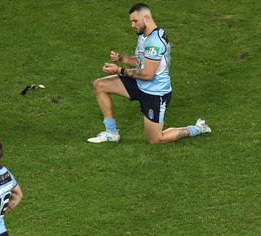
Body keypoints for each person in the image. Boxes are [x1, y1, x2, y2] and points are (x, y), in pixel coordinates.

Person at [87, 3, 211, 144]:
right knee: (100, 85)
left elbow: (147, 74)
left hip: (155, 93)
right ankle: (111, 133)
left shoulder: (155, 42)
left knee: (155, 139)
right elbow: (140, 62)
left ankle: (197, 128)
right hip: (139, 83)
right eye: (131, 21)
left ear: (146, 18)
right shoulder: (144, 35)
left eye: (135, 21)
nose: (132, 25)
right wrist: (122, 59)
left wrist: (119, 70)